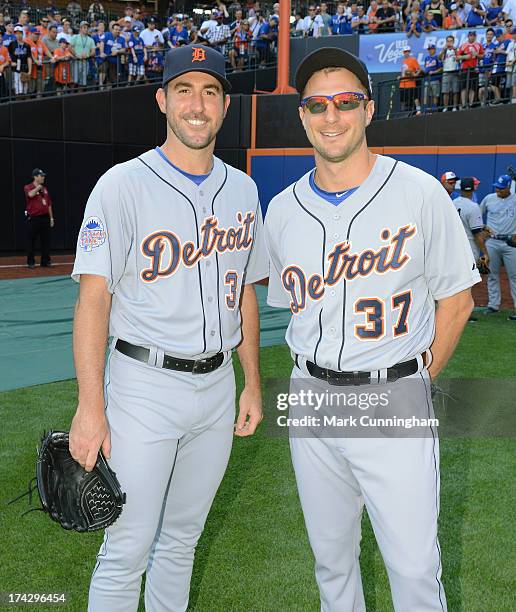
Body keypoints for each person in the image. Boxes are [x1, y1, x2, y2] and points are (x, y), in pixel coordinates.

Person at [264, 46, 480, 612]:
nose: (331, 116)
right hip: (310, 397)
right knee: (331, 562)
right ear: (302, 117)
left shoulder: (418, 191)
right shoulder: (282, 210)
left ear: (367, 110)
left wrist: (414, 377)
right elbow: (294, 308)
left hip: (393, 394)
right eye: (317, 105)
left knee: (412, 568)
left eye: (345, 102)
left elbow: (457, 301)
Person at [69, 44, 268, 610]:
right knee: (126, 547)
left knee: (182, 542)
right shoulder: (121, 185)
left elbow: (246, 295)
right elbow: (93, 300)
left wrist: (251, 382)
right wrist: (90, 407)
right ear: (163, 100)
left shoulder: (245, 190)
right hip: (144, 386)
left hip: (217, 387)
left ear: (225, 105)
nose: (197, 105)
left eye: (210, 92)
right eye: (184, 91)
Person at [480, 174, 516, 318]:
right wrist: (482, 227)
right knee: (492, 274)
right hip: (492, 242)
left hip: (511, 243)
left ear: (508, 188)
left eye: (501, 188)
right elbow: (476, 215)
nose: (498, 190)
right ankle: (493, 305)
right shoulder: (489, 199)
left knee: (514, 276)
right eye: (497, 188)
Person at [24, 168, 54, 268]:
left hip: (45, 218)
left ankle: (45, 261)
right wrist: (38, 188)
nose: (43, 177)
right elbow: (30, 194)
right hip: (34, 218)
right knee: (31, 240)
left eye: (43, 176)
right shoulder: (28, 187)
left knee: (46, 240)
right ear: (35, 177)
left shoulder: (45, 189)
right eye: (41, 176)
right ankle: (31, 261)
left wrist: (51, 218)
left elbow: (49, 204)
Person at [457, 30, 484, 108]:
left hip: (474, 69)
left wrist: (477, 55)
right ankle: (464, 104)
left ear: (475, 37)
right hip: (464, 69)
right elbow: (457, 57)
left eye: (473, 35)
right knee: (463, 87)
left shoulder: (478, 45)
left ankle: (471, 104)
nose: (472, 37)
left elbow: (483, 56)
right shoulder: (463, 45)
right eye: (470, 35)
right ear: (468, 36)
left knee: (472, 87)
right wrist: (465, 57)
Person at [71, 20, 95, 91]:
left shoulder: (91, 40)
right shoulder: (75, 37)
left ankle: (79, 95)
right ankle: (71, 97)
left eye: (87, 28)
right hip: (76, 61)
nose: (86, 29)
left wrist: (87, 55)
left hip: (85, 62)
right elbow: (69, 47)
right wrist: (76, 55)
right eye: (84, 27)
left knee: (83, 82)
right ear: (80, 28)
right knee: (74, 81)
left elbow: (93, 52)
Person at [7, 24, 31, 97]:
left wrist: (30, 71)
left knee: (25, 87)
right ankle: (18, 100)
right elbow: (7, 55)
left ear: (22, 34)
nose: (18, 35)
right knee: (17, 87)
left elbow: (29, 58)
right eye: (16, 33)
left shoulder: (27, 45)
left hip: (24, 68)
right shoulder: (12, 44)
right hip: (16, 69)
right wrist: (11, 62)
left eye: (20, 33)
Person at [398, 45, 422, 114]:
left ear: (409, 52)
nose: (406, 53)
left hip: (411, 83)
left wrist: (415, 75)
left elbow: (419, 70)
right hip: (402, 84)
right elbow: (403, 73)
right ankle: (403, 112)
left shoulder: (413, 60)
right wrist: (400, 77)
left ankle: (418, 110)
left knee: (415, 97)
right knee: (403, 99)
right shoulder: (403, 61)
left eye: (407, 51)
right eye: (405, 51)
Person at [440, 35, 460, 111]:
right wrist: (443, 51)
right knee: (445, 91)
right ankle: (446, 107)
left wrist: (455, 50)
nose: (449, 42)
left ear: (453, 42)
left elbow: (458, 59)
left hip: (455, 71)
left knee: (455, 91)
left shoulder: (456, 49)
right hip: (446, 71)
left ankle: (455, 107)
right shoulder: (444, 50)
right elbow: (439, 59)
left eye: (451, 41)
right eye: (448, 41)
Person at [422, 43, 442, 111]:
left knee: (435, 95)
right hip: (427, 79)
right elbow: (426, 67)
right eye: (429, 49)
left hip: (435, 79)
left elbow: (441, 68)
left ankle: (434, 109)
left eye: (431, 49)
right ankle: (425, 109)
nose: (430, 50)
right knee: (425, 95)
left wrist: (434, 72)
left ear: (434, 50)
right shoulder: (426, 58)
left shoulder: (437, 57)